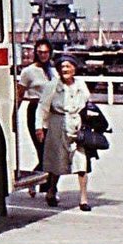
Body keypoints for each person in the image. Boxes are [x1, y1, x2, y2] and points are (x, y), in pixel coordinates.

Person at [37, 55, 93, 210]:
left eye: (68, 66)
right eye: (62, 67)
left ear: (74, 68)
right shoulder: (52, 85)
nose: (65, 70)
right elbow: (42, 107)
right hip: (57, 124)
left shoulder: (81, 84)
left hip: (77, 125)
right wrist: (39, 127)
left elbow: (88, 102)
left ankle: (83, 199)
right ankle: (51, 190)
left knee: (81, 162)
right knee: (57, 162)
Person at [17, 38, 55, 187]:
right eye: (40, 52)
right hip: (34, 110)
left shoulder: (53, 71)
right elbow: (19, 94)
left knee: (52, 151)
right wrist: (14, 115)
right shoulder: (28, 72)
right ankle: (44, 184)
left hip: (51, 113)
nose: (43, 55)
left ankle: (42, 181)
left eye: (46, 52)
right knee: (43, 150)